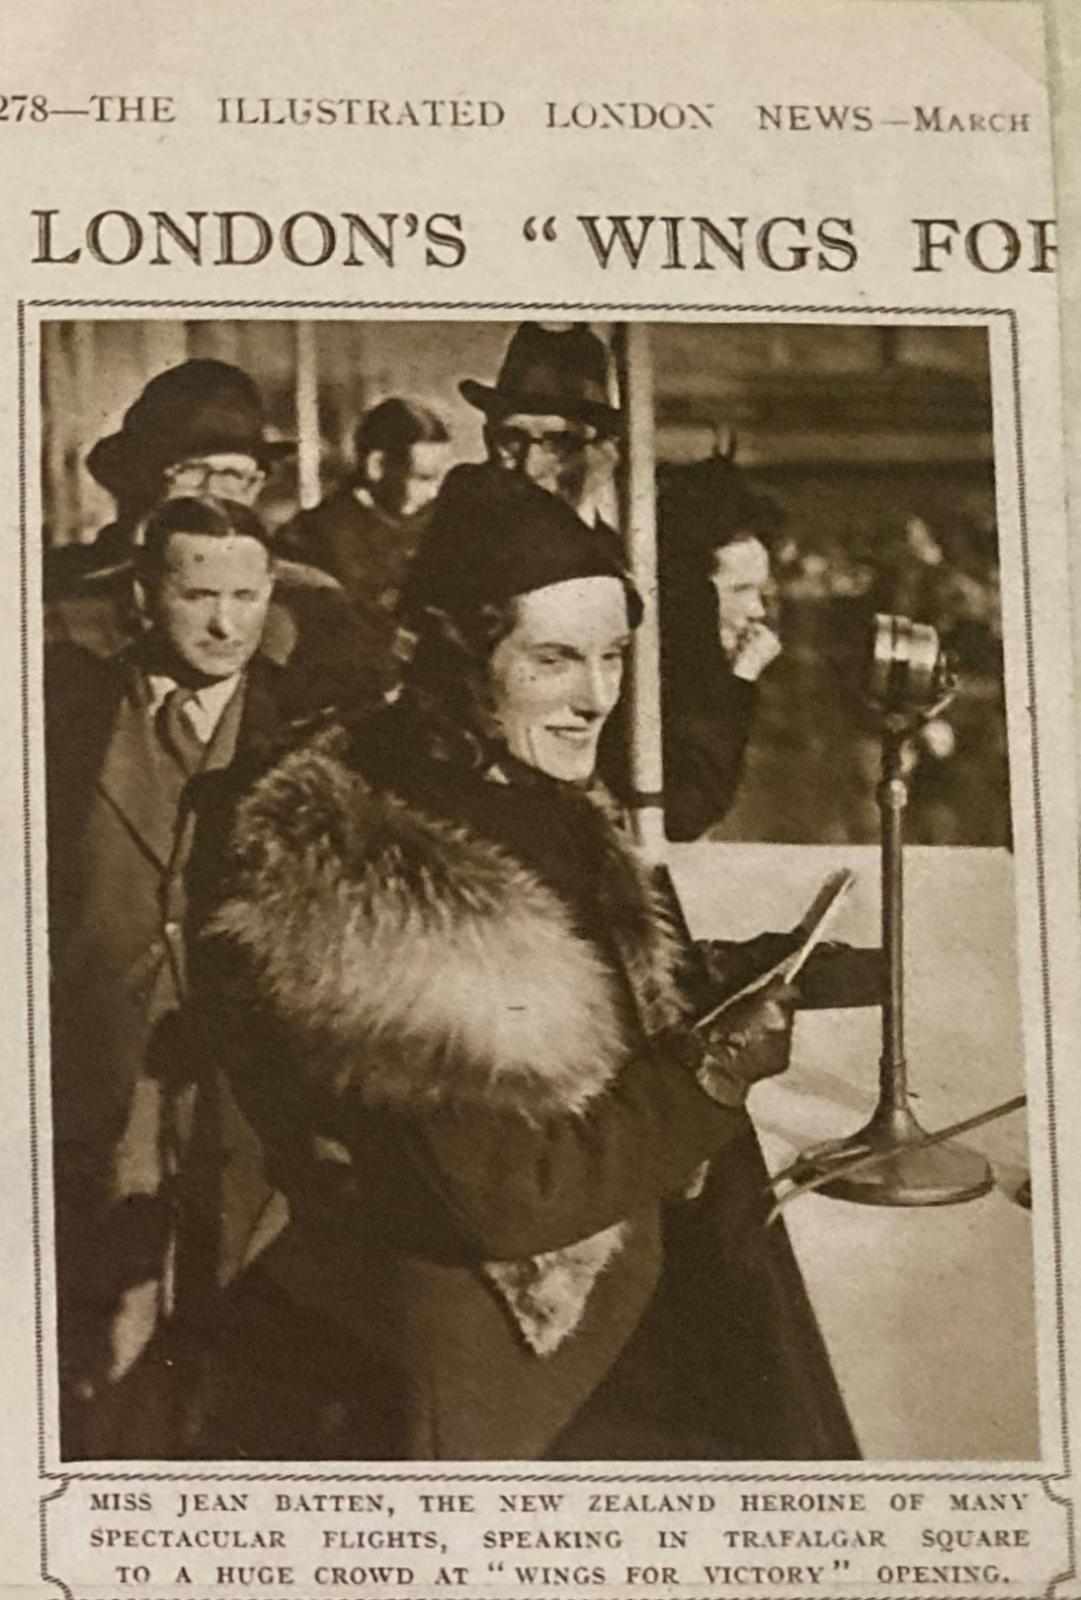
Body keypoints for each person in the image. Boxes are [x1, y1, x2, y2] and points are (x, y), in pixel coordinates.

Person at [191, 464, 855, 1462]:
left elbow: (577, 983)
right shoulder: (393, 877)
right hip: (500, 1364)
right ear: (461, 658)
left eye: (613, 657)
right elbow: (511, 1195)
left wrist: (747, 971)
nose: (595, 697)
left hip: (584, 1295)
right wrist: (710, 1071)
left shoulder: (504, 781)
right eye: (552, 659)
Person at [45, 494, 315, 1459]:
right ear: (145, 595)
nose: (224, 621)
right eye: (198, 592)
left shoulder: (309, 730)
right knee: (105, 1330)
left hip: (252, 1091)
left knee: (245, 1316)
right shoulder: (61, 713)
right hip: (100, 1074)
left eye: (246, 594)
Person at [45, 357, 369, 709]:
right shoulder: (62, 593)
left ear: (255, 486)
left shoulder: (311, 602)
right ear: (141, 477)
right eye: (190, 471)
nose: (211, 491)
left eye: (232, 474)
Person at [279, 397, 452, 697]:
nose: (434, 492)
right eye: (423, 478)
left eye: (440, 479)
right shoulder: (313, 536)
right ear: (377, 465)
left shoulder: (443, 527)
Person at [658, 453, 786, 841]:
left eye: (761, 591)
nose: (757, 610)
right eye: (740, 590)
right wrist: (741, 678)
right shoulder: (655, 671)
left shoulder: (694, 671)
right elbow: (689, 813)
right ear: (690, 595)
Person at [460, 321, 621, 536]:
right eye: (511, 441)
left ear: (604, 455)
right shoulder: (461, 542)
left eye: (560, 444)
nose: (529, 468)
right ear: (487, 439)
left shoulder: (612, 557)